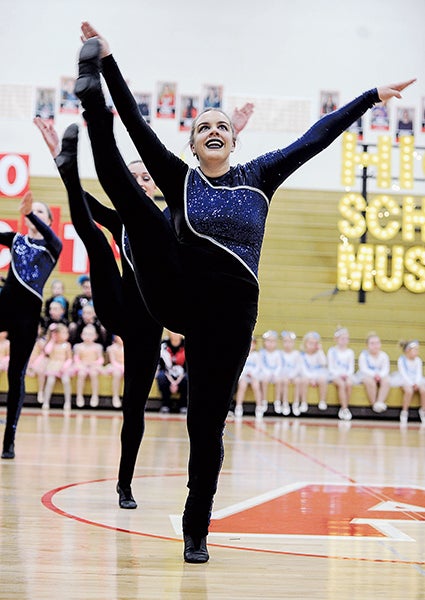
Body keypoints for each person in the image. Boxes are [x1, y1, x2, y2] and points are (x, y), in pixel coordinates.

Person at [75, 21, 414, 563]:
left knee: (205, 427)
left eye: (222, 126)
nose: (213, 130)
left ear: (234, 140)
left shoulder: (260, 175)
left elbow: (316, 136)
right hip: (178, 294)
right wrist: (109, 62)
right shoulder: (180, 178)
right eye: (203, 126)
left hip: (231, 318)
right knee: (136, 209)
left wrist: (370, 97)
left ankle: (196, 528)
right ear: (191, 142)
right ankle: (91, 101)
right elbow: (138, 127)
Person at [34, 116, 163, 509]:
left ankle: (125, 484)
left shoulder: (173, 220)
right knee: (95, 237)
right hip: (117, 302)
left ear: (156, 185)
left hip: (150, 320)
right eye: (134, 177)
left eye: (146, 178)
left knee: (133, 408)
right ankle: (67, 162)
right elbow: (86, 205)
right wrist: (60, 158)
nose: (140, 183)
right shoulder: (123, 217)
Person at [0, 191, 62, 459]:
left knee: (16, 375)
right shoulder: (16, 240)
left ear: (47, 219)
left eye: (39, 212)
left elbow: (54, 238)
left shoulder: (52, 247)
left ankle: (9, 440)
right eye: (30, 212)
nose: (33, 216)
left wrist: (27, 212)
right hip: (4, 308)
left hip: (27, 317)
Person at [390, 340, 425, 425]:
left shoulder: (418, 360)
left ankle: (423, 411)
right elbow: (404, 374)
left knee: (423, 390)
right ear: (407, 351)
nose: (417, 352)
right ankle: (404, 412)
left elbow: (418, 374)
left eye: (417, 350)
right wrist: (412, 384)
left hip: (416, 380)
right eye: (415, 350)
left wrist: (416, 382)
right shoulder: (402, 360)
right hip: (404, 380)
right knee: (409, 391)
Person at [41, 323, 73, 411]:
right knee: (50, 381)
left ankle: (67, 402)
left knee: (66, 380)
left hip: (63, 366)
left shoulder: (67, 345)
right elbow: (47, 351)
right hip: (53, 365)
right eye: (63, 333)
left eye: (66, 333)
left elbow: (69, 358)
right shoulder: (52, 344)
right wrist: (52, 339)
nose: (66, 335)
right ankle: (46, 401)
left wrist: (65, 367)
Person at [356, 333, 391, 413]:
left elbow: (386, 369)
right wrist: (374, 375)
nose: (375, 346)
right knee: (370, 382)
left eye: (377, 343)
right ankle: (374, 404)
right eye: (372, 343)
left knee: (387, 381)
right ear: (367, 345)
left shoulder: (384, 355)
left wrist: (380, 376)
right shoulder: (364, 355)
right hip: (366, 375)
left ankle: (380, 402)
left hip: (380, 376)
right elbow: (363, 369)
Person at [72, 323, 105, 408]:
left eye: (90, 334)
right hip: (82, 365)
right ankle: (79, 396)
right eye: (85, 334)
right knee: (81, 374)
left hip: (94, 366)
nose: (88, 336)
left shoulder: (98, 347)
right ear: (81, 335)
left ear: (95, 336)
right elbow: (76, 358)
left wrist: (94, 363)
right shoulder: (78, 346)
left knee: (93, 374)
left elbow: (101, 359)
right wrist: (81, 364)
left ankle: (95, 396)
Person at [156, 331, 188, 414]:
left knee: (188, 378)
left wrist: (177, 382)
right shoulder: (163, 345)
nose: (175, 334)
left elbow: (187, 368)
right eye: (173, 332)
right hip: (168, 375)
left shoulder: (186, 344)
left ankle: (183, 405)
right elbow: (162, 367)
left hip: (182, 375)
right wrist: (172, 382)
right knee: (160, 376)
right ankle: (165, 404)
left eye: (177, 332)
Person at [327, 327, 355, 421]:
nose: (344, 341)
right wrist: (339, 375)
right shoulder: (332, 351)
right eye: (342, 338)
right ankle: (344, 408)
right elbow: (331, 367)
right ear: (336, 339)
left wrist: (346, 374)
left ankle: (345, 408)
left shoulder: (350, 352)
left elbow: (351, 368)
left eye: (346, 338)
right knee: (341, 384)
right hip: (335, 375)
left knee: (349, 383)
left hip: (346, 375)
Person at [234, 336, 263, 419]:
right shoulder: (242, 354)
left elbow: (258, 367)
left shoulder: (257, 355)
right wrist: (246, 373)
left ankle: (259, 407)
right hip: (244, 375)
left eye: (252, 344)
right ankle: (239, 406)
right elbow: (240, 366)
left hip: (254, 376)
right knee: (242, 386)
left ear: (255, 345)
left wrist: (252, 374)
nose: (250, 346)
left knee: (256, 386)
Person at [299, 331, 328, 412]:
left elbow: (324, 363)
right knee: (304, 380)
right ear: (305, 344)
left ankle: (322, 401)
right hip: (307, 376)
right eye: (310, 343)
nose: (312, 345)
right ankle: (303, 402)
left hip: (317, 375)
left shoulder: (318, 354)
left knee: (322, 379)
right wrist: (311, 379)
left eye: (315, 343)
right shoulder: (302, 356)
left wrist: (320, 351)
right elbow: (303, 370)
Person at [258, 330, 283, 415]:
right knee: (264, 380)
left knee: (278, 381)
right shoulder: (262, 353)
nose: (270, 343)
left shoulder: (278, 353)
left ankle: (277, 401)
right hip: (265, 373)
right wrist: (267, 373)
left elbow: (279, 365)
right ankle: (264, 401)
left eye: (272, 341)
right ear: (264, 342)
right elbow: (261, 365)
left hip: (275, 373)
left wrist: (275, 373)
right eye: (268, 341)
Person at [279, 331, 302, 416]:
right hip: (284, 376)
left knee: (298, 381)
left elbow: (298, 367)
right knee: (285, 382)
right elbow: (279, 367)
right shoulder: (280, 353)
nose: (288, 344)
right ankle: (285, 404)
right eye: (285, 341)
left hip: (294, 375)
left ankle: (296, 404)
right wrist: (286, 375)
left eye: (290, 342)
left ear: (293, 343)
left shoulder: (296, 354)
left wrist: (292, 375)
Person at [105, 334, 125, 408]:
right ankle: (115, 396)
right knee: (117, 373)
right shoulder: (111, 348)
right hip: (114, 366)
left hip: (125, 366)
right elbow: (113, 361)